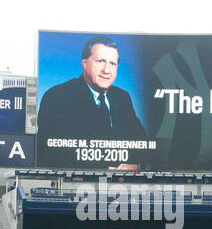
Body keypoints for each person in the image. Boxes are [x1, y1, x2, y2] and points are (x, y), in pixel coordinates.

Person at [38, 36, 147, 169]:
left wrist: (134, 166)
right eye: (101, 61)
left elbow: (143, 144)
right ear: (85, 63)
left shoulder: (122, 98)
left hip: (119, 183)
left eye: (112, 64)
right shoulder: (57, 97)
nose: (106, 70)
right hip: (74, 183)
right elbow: (50, 153)